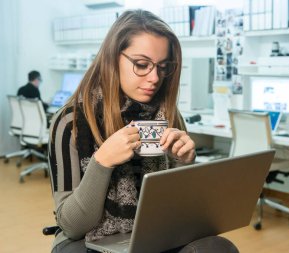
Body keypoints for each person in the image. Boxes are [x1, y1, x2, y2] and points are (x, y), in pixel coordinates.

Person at [48, 9, 239, 253]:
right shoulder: (70, 122)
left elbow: (179, 213)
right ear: (112, 58)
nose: (154, 78)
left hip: (152, 232)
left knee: (218, 247)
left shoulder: (169, 117)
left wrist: (184, 164)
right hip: (86, 238)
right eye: (141, 65)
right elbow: (72, 226)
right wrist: (102, 162)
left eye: (163, 67)